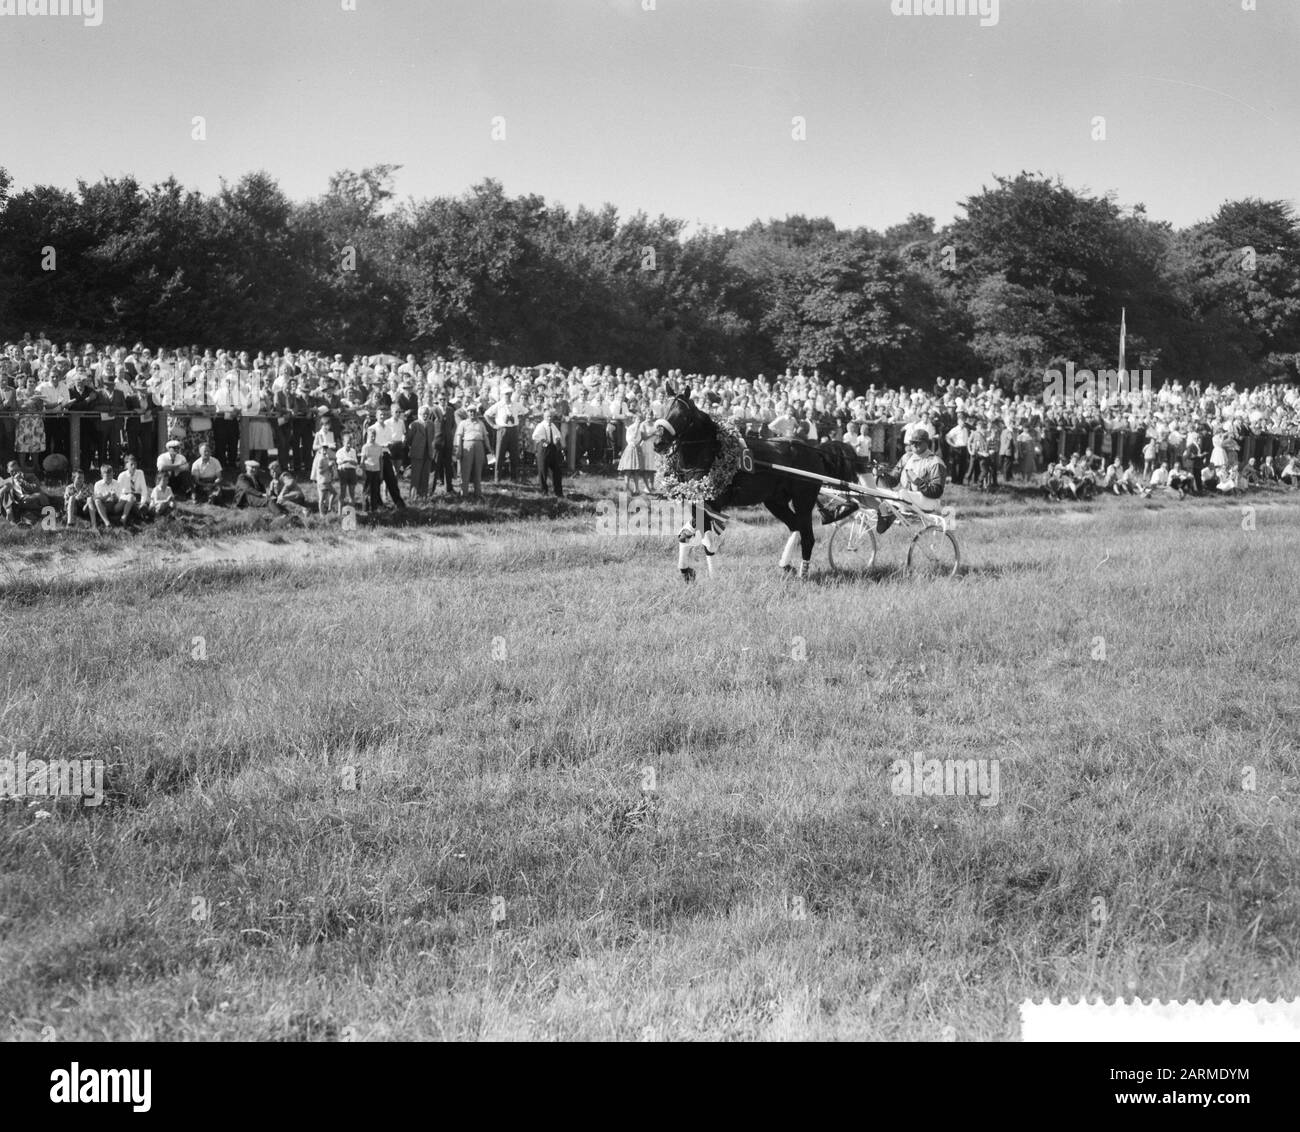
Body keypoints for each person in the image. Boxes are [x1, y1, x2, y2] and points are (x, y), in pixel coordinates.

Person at [454, 404, 489, 501]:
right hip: (467, 445)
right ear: (467, 413)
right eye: (470, 411)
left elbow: (485, 436)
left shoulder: (481, 423)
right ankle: (463, 493)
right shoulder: (463, 423)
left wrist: (489, 448)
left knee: (478, 469)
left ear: (476, 412)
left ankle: (478, 493)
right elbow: (459, 437)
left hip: (479, 446)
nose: (472, 413)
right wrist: (459, 449)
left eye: (473, 411)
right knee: (465, 470)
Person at [532, 408, 565, 498]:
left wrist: (557, 439)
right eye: (548, 417)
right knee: (543, 471)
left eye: (551, 417)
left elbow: (558, 434)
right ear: (544, 417)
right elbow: (535, 436)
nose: (549, 418)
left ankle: (558, 492)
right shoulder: (541, 425)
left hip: (552, 449)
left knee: (557, 471)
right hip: (543, 449)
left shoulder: (553, 425)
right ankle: (544, 491)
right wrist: (543, 439)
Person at [406, 406, 433, 500]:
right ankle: (413, 497)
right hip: (417, 453)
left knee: (425, 475)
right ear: (419, 414)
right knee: (415, 476)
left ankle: (423, 496)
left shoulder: (431, 424)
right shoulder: (414, 424)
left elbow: (432, 437)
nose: (425, 416)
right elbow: (409, 439)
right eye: (423, 414)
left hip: (428, 452)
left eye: (427, 414)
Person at [116, 454, 148, 523]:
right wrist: (127, 498)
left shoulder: (140, 473)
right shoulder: (122, 475)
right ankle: (134, 514)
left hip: (137, 497)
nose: (134, 467)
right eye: (131, 464)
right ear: (126, 465)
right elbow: (118, 492)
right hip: (126, 497)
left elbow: (144, 490)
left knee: (144, 506)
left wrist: (142, 502)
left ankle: (134, 511)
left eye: (135, 464)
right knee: (131, 500)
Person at [360, 428, 386, 512]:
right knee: (367, 491)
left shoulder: (379, 447)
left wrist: (381, 473)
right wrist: (363, 472)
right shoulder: (365, 447)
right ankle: (365, 509)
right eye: (371, 436)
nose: (373, 437)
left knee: (375, 491)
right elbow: (362, 461)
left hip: (376, 471)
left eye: (374, 436)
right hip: (368, 471)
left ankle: (374, 508)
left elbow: (381, 460)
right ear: (368, 436)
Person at [311, 443, 339, 516]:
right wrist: (328, 466)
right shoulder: (320, 458)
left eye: (326, 448)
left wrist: (331, 468)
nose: (325, 449)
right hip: (322, 481)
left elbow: (327, 469)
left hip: (327, 480)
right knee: (322, 499)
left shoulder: (326, 457)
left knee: (334, 493)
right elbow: (320, 471)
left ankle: (329, 508)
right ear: (321, 449)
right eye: (324, 448)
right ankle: (321, 514)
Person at [335, 436, 361, 510]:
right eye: (347, 443)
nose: (349, 444)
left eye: (350, 443)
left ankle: (351, 511)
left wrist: (350, 461)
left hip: (352, 472)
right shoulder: (339, 452)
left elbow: (356, 462)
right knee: (343, 492)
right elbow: (338, 462)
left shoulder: (353, 451)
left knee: (352, 492)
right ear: (343, 442)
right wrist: (346, 460)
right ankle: (340, 512)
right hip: (343, 472)